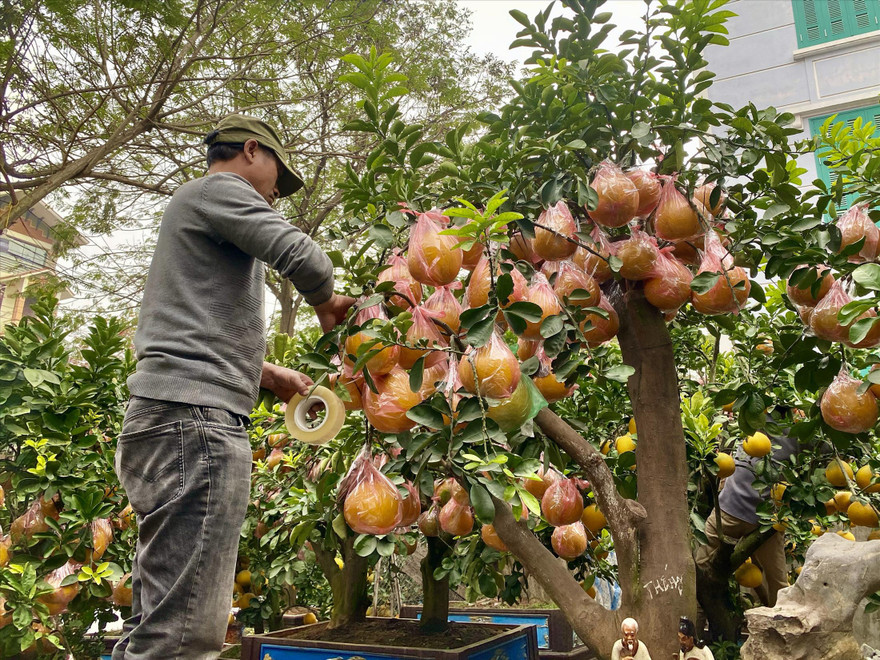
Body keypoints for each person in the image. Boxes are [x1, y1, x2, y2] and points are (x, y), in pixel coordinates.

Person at [112, 114, 355, 659]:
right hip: (195, 425)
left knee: (159, 620)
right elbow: (306, 260)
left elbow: (184, 329)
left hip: (168, 420)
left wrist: (265, 374)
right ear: (250, 151)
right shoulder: (219, 190)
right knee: (185, 636)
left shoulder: (193, 212)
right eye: (276, 178)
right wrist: (323, 301)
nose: (275, 195)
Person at [696, 413, 798, 607]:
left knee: (778, 584)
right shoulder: (755, 416)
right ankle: (694, 627)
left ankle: (780, 625)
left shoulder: (796, 430)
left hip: (764, 521)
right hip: (737, 512)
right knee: (701, 570)